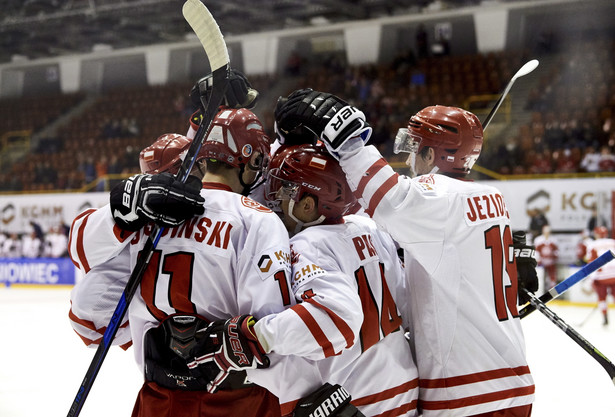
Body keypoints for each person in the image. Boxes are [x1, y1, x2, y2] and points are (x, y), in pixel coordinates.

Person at [274, 90, 537, 416]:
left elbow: (389, 202)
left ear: (431, 154)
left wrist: (349, 141)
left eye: (414, 148)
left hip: (465, 392)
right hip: (512, 379)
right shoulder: (491, 196)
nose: (409, 159)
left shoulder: (438, 194)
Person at [69, 107, 293, 417]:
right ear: (249, 159)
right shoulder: (257, 219)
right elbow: (273, 329)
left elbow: (85, 288)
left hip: (159, 398)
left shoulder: (154, 216)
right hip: (237, 399)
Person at [197, 144, 419, 416]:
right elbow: (408, 307)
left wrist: (255, 335)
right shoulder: (371, 228)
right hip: (405, 391)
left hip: (356, 403)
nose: (274, 198)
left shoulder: (305, 246)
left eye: (286, 190)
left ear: (307, 205)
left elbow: (336, 317)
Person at [585, 226, 615, 325]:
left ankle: (605, 317)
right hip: (614, 275)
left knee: (602, 298)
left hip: (601, 277)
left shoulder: (592, 245)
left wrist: (590, 281)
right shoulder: (612, 242)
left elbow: (592, 264)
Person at [533, 225, 559, 289]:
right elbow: (536, 251)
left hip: (550, 261)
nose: (547, 233)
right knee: (540, 275)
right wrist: (538, 259)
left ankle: (552, 289)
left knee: (552, 276)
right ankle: (540, 289)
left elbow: (556, 251)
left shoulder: (554, 240)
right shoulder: (538, 239)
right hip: (541, 261)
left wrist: (554, 258)